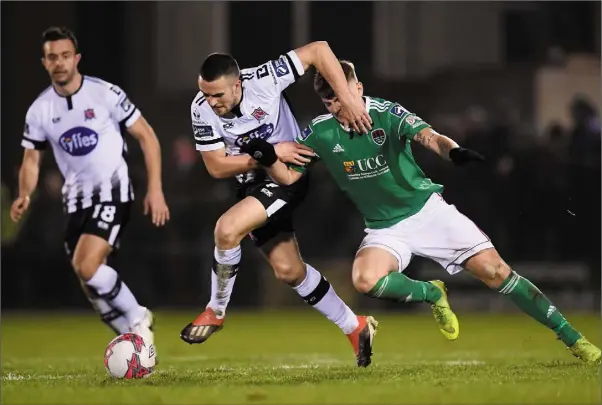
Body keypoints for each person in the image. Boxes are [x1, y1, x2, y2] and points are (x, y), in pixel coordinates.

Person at [240, 60, 601, 364]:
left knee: (497, 273)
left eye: (340, 95)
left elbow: (429, 137)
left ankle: (572, 338)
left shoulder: (387, 113)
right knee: (365, 281)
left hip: (428, 213)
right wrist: (267, 158)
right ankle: (432, 293)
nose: (335, 106)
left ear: (358, 87)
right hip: (384, 229)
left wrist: (453, 151)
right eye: (328, 100)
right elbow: (289, 176)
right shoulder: (319, 132)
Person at [180, 43, 377, 367]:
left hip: (289, 175)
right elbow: (216, 166)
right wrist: (268, 153)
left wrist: (350, 100)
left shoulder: (264, 79)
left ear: (237, 84)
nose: (210, 102)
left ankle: (215, 311)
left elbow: (319, 51)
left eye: (218, 95)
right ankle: (355, 327)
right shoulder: (201, 107)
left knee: (226, 231)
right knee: (289, 271)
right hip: (256, 179)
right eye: (205, 94)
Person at [10, 27, 169, 351]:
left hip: (114, 191)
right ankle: (131, 339)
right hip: (76, 201)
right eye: (52, 57)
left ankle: (139, 319)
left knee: (87, 265)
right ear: (44, 62)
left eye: (65, 55)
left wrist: (155, 189)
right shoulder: (40, 110)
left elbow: (147, 137)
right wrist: (25, 194)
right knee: (89, 279)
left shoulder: (105, 94)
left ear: (76, 58)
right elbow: (31, 160)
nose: (60, 62)